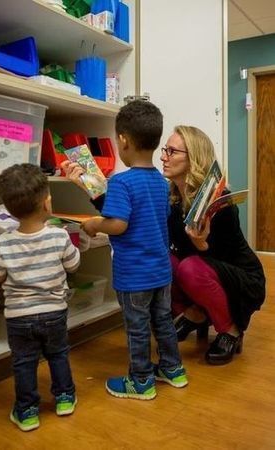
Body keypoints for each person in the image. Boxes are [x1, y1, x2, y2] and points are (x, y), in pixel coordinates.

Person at [62, 100, 188, 401]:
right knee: (162, 321)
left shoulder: (120, 181)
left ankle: (141, 381)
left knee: (137, 327)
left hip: (134, 275)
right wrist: (89, 186)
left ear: (123, 140)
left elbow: (117, 224)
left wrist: (93, 223)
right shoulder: (161, 182)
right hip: (160, 271)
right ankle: (173, 369)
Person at [0, 163, 80, 431]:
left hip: (19, 316)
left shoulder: (3, 242)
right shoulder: (59, 235)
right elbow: (73, 265)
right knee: (58, 354)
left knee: (24, 362)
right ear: (47, 203)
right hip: (54, 312)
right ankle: (64, 398)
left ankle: (27, 411)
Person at [161, 125, 266, 365]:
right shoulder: (172, 199)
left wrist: (201, 244)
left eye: (172, 151)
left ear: (194, 158)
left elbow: (223, 258)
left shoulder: (220, 204)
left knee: (189, 267)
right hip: (201, 271)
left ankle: (230, 331)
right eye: (165, 150)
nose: (165, 157)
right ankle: (196, 312)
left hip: (240, 277)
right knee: (163, 262)